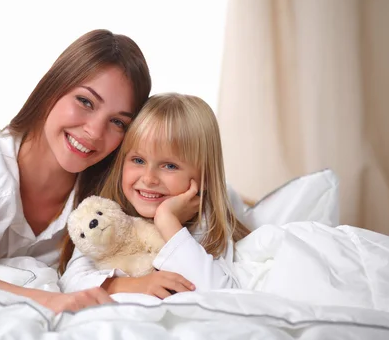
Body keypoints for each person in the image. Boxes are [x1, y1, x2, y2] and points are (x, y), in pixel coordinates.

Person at [0, 29, 152, 313]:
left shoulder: (105, 202)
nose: (95, 132)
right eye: (85, 102)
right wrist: (51, 301)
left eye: (118, 122)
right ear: (53, 89)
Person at [59, 93, 251, 298]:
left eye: (170, 166)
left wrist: (168, 222)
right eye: (138, 160)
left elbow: (223, 293)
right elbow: (71, 281)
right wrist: (134, 285)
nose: (149, 179)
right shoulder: (109, 214)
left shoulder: (208, 222)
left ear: (204, 177)